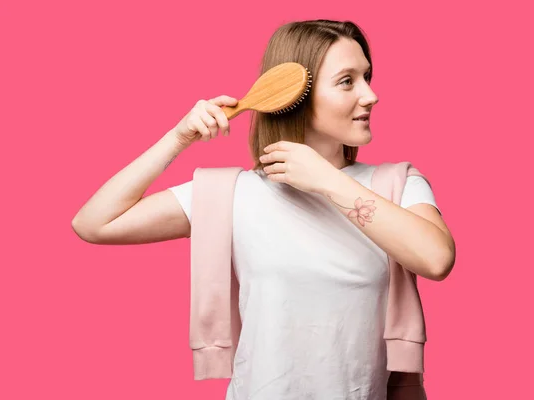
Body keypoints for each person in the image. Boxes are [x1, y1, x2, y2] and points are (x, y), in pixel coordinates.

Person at [72, 19, 455, 400]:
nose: (371, 95)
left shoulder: (398, 184)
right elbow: (95, 223)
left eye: (367, 77)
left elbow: (436, 259)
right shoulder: (232, 195)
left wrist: (326, 179)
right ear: (294, 97)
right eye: (347, 81)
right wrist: (177, 138)